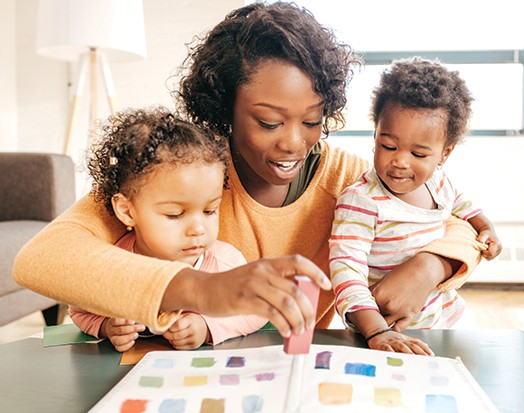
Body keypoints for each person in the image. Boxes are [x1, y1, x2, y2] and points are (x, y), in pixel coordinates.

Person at [14, 2, 482, 339]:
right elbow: (41, 258)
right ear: (225, 109)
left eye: (312, 122)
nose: (293, 143)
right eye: (269, 122)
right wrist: (205, 290)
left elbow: (460, 221)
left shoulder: (349, 179)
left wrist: (431, 264)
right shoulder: (181, 174)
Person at [330, 57, 502, 353]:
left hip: (446, 320)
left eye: (419, 154)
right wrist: (377, 332)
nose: (400, 161)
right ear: (375, 134)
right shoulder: (361, 201)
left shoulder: (437, 181)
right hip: (387, 333)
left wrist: (485, 227)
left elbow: (461, 203)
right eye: (388, 146)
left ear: (444, 154)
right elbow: (346, 271)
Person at [68, 107, 268, 352]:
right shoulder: (111, 266)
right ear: (127, 211)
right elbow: (78, 309)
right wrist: (106, 326)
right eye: (175, 214)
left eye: (209, 211)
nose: (198, 229)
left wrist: (207, 326)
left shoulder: (224, 264)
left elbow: (258, 309)